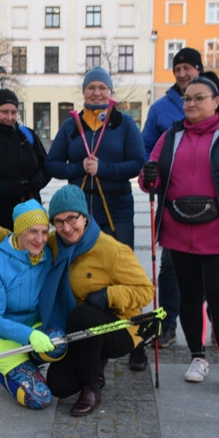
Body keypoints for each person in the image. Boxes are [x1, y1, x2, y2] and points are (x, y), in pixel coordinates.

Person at [0, 185, 154, 415]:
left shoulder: (111, 250)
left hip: (116, 327)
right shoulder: (55, 242)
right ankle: (87, 363)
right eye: (58, 221)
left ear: (84, 217)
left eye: (72, 219)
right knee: (59, 385)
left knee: (83, 315)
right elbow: (21, 238)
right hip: (78, 328)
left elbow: (146, 290)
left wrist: (108, 295)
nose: (66, 227)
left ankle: (90, 387)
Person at [140, 72, 219, 394]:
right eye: (187, 98)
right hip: (178, 229)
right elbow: (149, 178)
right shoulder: (170, 136)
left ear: (216, 102)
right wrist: (149, 176)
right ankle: (198, 357)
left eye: (200, 98)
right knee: (189, 298)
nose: (192, 103)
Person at [44, 66, 148, 371]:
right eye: (91, 88)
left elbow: (137, 163)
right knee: (83, 271)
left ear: (111, 91)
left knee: (122, 270)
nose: (97, 93)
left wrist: (104, 169)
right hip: (79, 211)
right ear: (84, 92)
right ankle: (88, 336)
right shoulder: (72, 124)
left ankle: (135, 336)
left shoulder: (123, 123)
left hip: (116, 207)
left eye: (102, 87)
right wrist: (78, 169)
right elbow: (53, 164)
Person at [141, 48, 219, 350]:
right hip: (177, 208)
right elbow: (146, 149)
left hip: (216, 210)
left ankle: (218, 327)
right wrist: (153, 172)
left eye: (187, 68)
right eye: (177, 69)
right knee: (173, 272)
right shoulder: (161, 109)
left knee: (215, 278)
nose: (182, 74)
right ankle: (168, 324)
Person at [0, 200, 56, 409]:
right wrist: (30, 336)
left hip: (31, 328)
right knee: (39, 398)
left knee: (60, 345)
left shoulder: (46, 256)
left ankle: (26, 365)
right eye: (33, 232)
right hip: (0, 336)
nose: (40, 239)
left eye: (44, 232)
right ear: (18, 232)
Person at [0, 88, 50, 265]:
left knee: (29, 271)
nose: (9, 117)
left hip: (29, 215)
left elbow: (46, 165)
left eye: (14, 112)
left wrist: (36, 183)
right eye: (4, 112)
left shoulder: (27, 135)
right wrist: (10, 188)